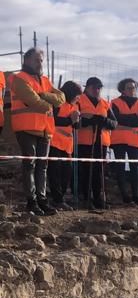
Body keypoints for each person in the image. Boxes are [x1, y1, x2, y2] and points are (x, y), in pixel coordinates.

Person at [10, 48, 64, 215]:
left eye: (41, 60)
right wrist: (50, 104)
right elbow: (33, 101)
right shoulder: (19, 79)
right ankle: (31, 201)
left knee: (42, 167)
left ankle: (42, 200)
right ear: (26, 60)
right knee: (30, 166)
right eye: (36, 60)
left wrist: (43, 95)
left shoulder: (45, 80)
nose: (40, 63)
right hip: (26, 128)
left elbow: (61, 98)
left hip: (45, 130)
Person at [77, 77, 117, 211]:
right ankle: (85, 198)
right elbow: (75, 119)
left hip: (101, 142)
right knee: (85, 170)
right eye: (94, 87)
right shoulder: (79, 100)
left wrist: (104, 121)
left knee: (99, 172)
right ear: (87, 87)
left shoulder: (105, 104)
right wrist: (89, 121)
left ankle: (98, 198)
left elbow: (114, 123)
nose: (97, 90)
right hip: (84, 142)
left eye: (99, 87)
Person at [110, 78, 138, 205]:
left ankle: (136, 195)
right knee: (120, 168)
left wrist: (123, 120)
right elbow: (115, 118)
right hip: (118, 140)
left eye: (134, 87)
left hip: (135, 141)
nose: (132, 90)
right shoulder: (114, 102)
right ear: (122, 90)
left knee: (134, 169)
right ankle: (125, 195)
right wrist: (133, 119)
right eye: (129, 88)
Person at [47, 80, 82, 209]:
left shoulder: (75, 107)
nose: (78, 98)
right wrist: (69, 119)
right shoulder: (58, 103)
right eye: (77, 95)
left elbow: (76, 126)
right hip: (54, 142)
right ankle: (57, 199)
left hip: (67, 145)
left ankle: (60, 198)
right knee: (54, 172)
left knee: (66, 173)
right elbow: (52, 119)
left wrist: (76, 120)